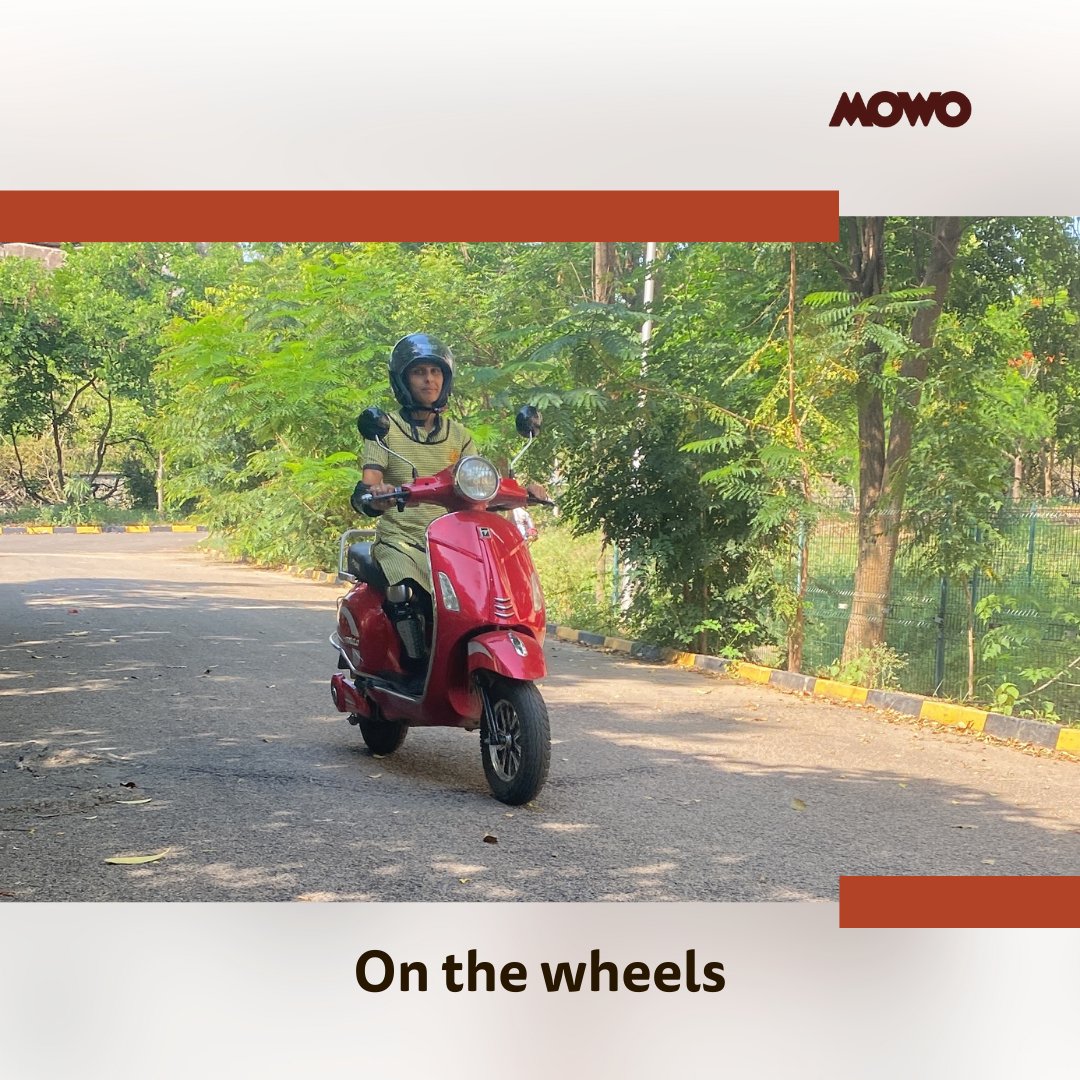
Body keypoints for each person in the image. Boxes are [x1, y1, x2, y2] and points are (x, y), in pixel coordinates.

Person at [349, 333, 475, 664]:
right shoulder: (384, 430)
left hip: (452, 541)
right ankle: (416, 662)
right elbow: (370, 481)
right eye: (419, 372)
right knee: (404, 587)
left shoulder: (460, 435)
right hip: (401, 538)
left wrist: (525, 489)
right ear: (403, 380)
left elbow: (475, 479)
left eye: (436, 372)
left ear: (446, 379)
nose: (429, 380)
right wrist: (375, 493)